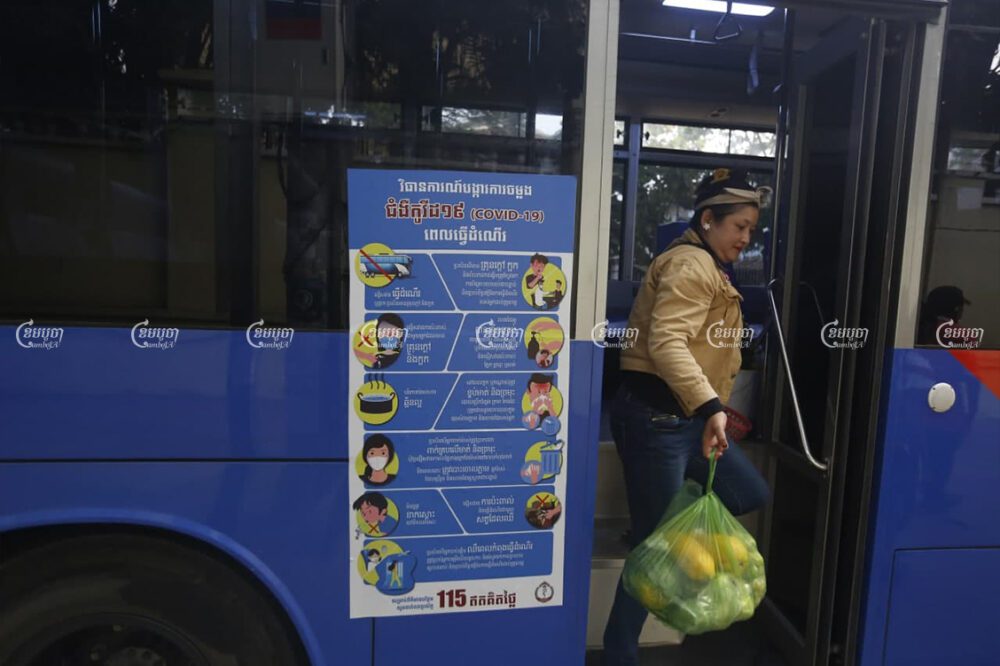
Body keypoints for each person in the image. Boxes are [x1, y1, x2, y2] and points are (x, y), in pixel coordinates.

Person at [603, 168, 771, 666]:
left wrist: (709, 409)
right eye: (739, 226)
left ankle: (663, 516)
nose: (746, 238)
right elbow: (667, 343)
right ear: (708, 219)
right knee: (654, 548)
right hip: (658, 419)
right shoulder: (690, 265)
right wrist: (712, 406)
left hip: (687, 418)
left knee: (749, 492)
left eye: (751, 228)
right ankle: (619, 655)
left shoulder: (710, 265)